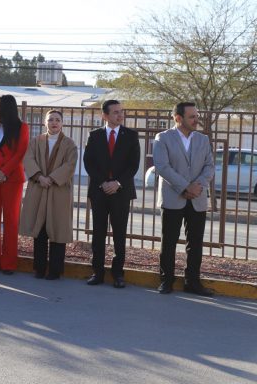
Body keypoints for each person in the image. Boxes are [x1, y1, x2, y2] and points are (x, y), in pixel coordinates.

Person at [153, 102, 215, 296]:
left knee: (195, 243)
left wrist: (197, 186)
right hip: (173, 197)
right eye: (192, 116)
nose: (196, 120)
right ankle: (166, 281)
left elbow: (209, 166)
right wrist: (185, 186)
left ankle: (192, 282)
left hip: (197, 198)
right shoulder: (163, 138)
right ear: (178, 118)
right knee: (169, 242)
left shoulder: (203, 139)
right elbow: (162, 167)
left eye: (197, 116)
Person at [83, 100, 141, 288]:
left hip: (121, 192)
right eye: (115, 112)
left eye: (121, 111)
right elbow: (89, 162)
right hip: (99, 191)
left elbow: (133, 165)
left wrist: (117, 183)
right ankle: (97, 272)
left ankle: (118, 274)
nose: (120, 115)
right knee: (98, 233)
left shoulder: (131, 135)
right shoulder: (95, 135)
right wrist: (103, 182)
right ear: (105, 115)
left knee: (119, 233)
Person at [20, 110, 77, 280]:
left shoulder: (69, 144)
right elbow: (28, 159)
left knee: (58, 230)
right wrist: (39, 177)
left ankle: (55, 270)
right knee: (40, 230)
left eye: (57, 120)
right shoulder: (36, 141)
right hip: (39, 188)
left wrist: (51, 178)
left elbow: (70, 165)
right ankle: (39, 268)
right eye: (50, 119)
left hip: (59, 191)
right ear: (45, 122)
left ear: (62, 123)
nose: (54, 122)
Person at [0, 94, 29, 274]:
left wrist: (4, 172)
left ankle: (9, 263)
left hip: (12, 179)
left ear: (7, 108)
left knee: (11, 220)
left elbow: (20, 152)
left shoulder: (22, 127)